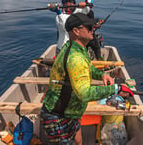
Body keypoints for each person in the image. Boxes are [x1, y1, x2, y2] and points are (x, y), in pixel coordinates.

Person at [40, 13, 134, 145]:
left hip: (71, 112)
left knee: (78, 141)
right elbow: (84, 94)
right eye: (89, 27)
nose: (93, 29)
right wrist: (116, 89)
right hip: (58, 116)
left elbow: (89, 68)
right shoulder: (76, 59)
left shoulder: (77, 48)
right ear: (76, 31)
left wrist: (102, 75)